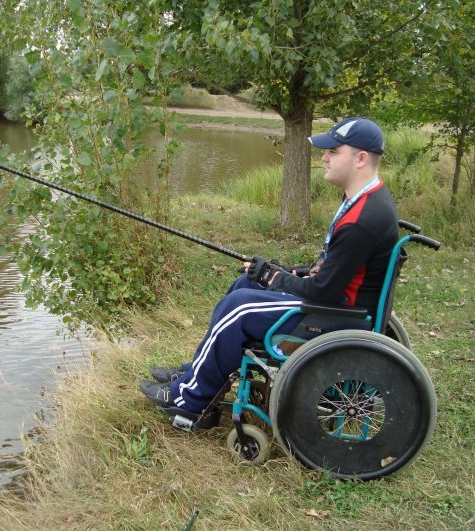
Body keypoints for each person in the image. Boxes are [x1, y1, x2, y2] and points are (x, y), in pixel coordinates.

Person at [139, 117, 399, 414]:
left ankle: (189, 400)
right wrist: (283, 272)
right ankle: (195, 373)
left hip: (338, 317)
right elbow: (333, 269)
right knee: (246, 283)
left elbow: (323, 292)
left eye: (334, 152)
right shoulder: (363, 199)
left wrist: (275, 276)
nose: (324, 157)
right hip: (338, 304)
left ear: (361, 159)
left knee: (239, 306)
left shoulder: (362, 220)